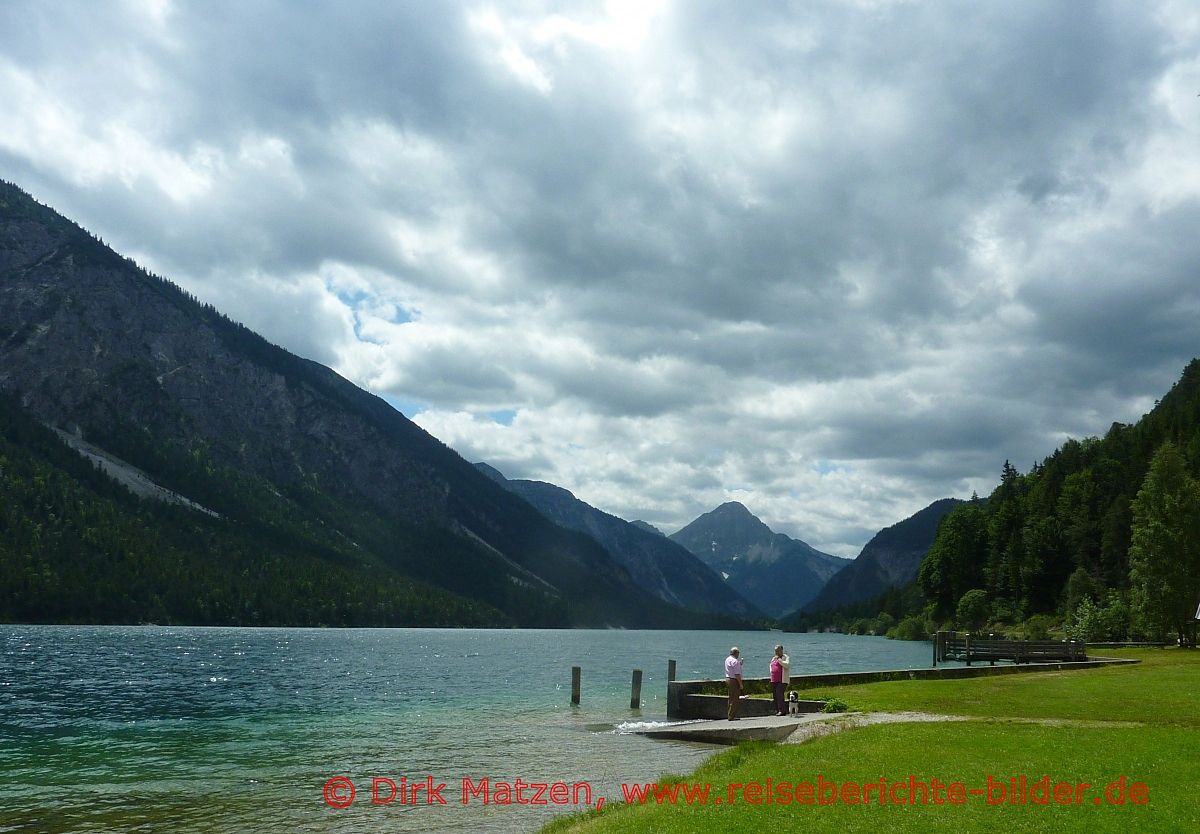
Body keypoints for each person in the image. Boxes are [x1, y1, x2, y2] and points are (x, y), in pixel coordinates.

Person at [769, 645, 790, 716]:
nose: (776, 652)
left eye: (777, 651)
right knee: (775, 695)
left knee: (779, 694)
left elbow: (786, 665)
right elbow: (771, 666)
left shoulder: (785, 657)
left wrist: (779, 660)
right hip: (774, 680)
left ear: (781, 650)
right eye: (775, 651)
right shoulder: (773, 658)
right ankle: (777, 709)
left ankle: (782, 710)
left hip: (782, 680)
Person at [724, 647, 743, 720]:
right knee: (735, 699)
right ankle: (732, 716)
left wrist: (739, 664)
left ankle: (730, 714)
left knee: (731, 698)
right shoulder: (735, 661)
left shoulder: (727, 659)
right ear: (736, 653)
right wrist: (741, 684)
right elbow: (737, 674)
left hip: (728, 679)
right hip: (733, 680)